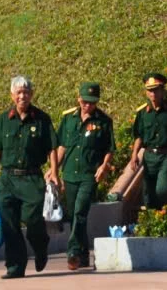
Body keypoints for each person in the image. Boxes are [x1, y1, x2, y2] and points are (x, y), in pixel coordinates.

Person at [0, 75, 54, 279]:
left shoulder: (42, 119)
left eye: (26, 92)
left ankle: (41, 246)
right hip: (7, 179)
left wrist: (54, 173)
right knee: (9, 225)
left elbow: (51, 148)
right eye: (18, 92)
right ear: (12, 95)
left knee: (33, 221)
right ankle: (15, 267)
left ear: (31, 94)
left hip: (32, 178)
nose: (22, 96)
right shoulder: (3, 120)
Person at [51, 82, 114, 270]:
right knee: (75, 216)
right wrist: (54, 169)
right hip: (70, 174)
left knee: (80, 211)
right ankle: (85, 254)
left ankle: (73, 252)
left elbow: (109, 148)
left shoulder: (103, 121)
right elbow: (62, 146)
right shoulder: (68, 119)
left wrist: (104, 166)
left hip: (89, 175)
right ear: (79, 99)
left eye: (92, 103)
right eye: (85, 102)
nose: (88, 106)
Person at [127, 74, 167, 210]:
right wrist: (134, 154)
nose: (153, 93)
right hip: (149, 156)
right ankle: (156, 221)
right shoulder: (142, 113)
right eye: (150, 90)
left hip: (166, 155)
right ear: (146, 92)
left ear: (163, 90)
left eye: (156, 89)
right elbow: (139, 136)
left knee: (163, 189)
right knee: (148, 196)